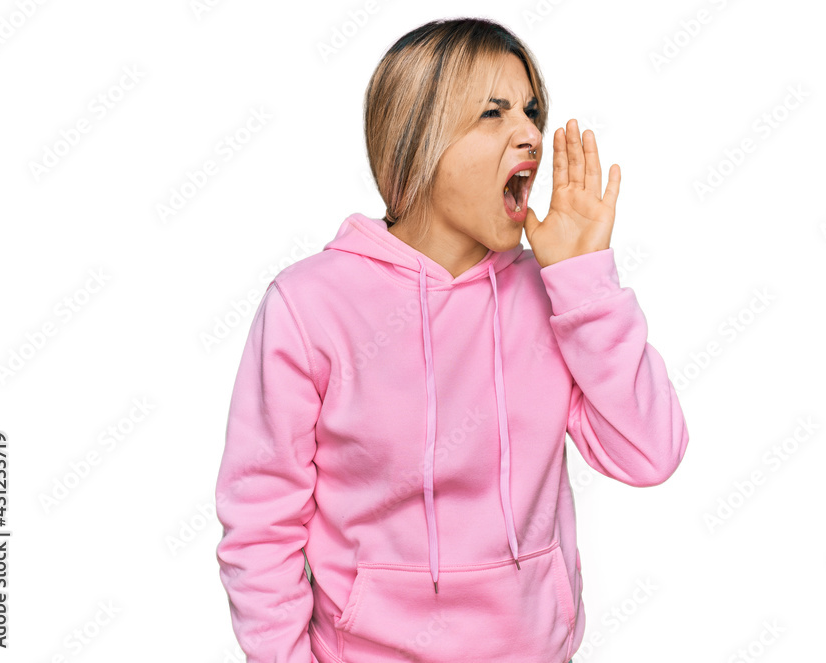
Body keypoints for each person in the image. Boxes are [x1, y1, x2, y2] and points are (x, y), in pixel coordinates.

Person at [214, 16, 689, 663]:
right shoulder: (310, 305)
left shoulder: (556, 295)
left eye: (531, 111)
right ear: (418, 140)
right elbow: (259, 524)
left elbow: (649, 452)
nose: (529, 134)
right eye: (492, 114)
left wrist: (585, 281)